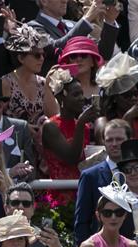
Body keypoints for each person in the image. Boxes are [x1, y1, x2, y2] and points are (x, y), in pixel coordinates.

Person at [41, 70, 97, 205]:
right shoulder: (50, 127)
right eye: (76, 94)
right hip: (60, 198)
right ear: (62, 98)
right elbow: (71, 158)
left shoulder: (83, 126)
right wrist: (82, 123)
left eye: (82, 93)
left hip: (83, 193)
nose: (82, 98)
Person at [73, 118, 132, 245]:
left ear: (129, 141)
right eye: (109, 140)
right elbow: (82, 221)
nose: (114, 144)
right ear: (103, 142)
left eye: (119, 139)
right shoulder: (90, 176)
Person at [2, 25, 57, 136]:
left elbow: (54, 116)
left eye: (43, 55)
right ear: (21, 58)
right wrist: (23, 128)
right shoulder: (6, 82)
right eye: (37, 55)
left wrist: (48, 86)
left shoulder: (42, 82)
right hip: (15, 143)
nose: (42, 59)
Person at [28, 0, 109, 74]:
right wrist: (87, 19)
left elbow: (102, 54)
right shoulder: (33, 27)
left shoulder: (74, 25)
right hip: (54, 86)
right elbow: (54, 48)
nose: (65, 1)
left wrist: (110, 20)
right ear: (44, 1)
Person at [56, 36, 103, 101]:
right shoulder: (61, 91)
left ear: (92, 62)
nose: (79, 59)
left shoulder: (104, 89)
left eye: (84, 55)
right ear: (69, 62)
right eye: (73, 56)